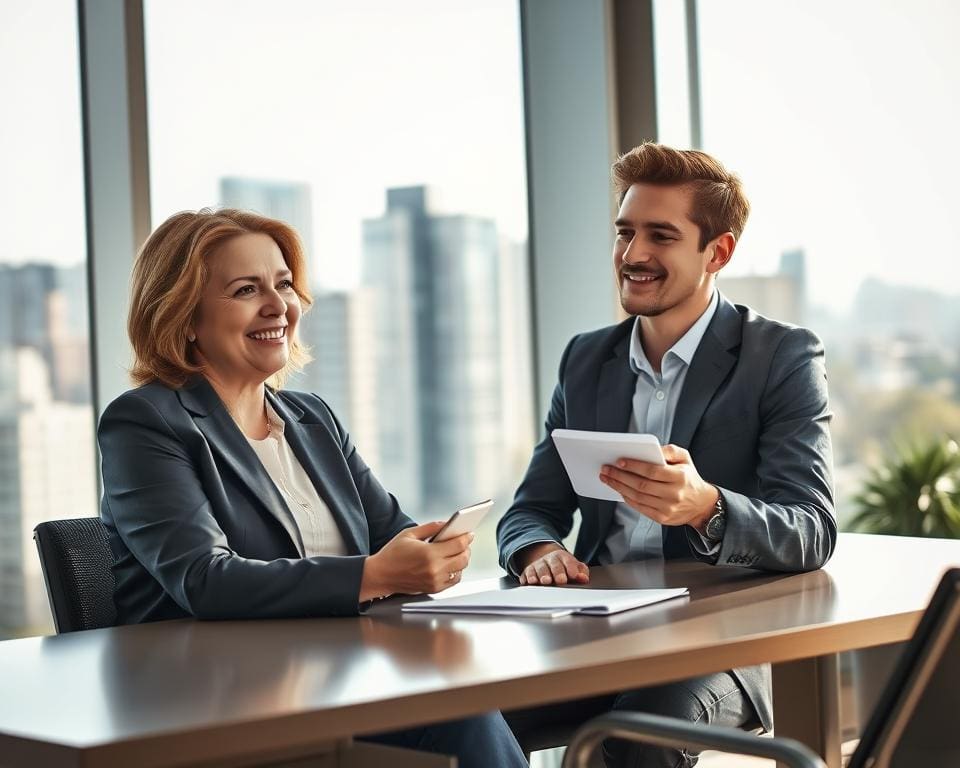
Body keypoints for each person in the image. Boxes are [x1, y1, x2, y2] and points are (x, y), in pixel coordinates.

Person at [99, 208, 527, 768]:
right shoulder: (145, 422)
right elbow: (205, 580)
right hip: (212, 706)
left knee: (471, 698)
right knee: (461, 715)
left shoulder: (311, 418)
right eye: (246, 289)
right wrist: (375, 573)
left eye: (283, 284)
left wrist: (429, 553)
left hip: (336, 682)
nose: (278, 305)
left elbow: (388, 530)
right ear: (184, 317)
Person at [497, 143, 836, 768]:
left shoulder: (780, 357)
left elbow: (811, 531)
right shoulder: (585, 359)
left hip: (724, 639)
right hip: (599, 630)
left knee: (636, 741)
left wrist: (706, 508)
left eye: (661, 235)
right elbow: (529, 510)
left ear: (719, 252)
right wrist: (538, 550)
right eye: (625, 233)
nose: (633, 255)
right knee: (454, 721)